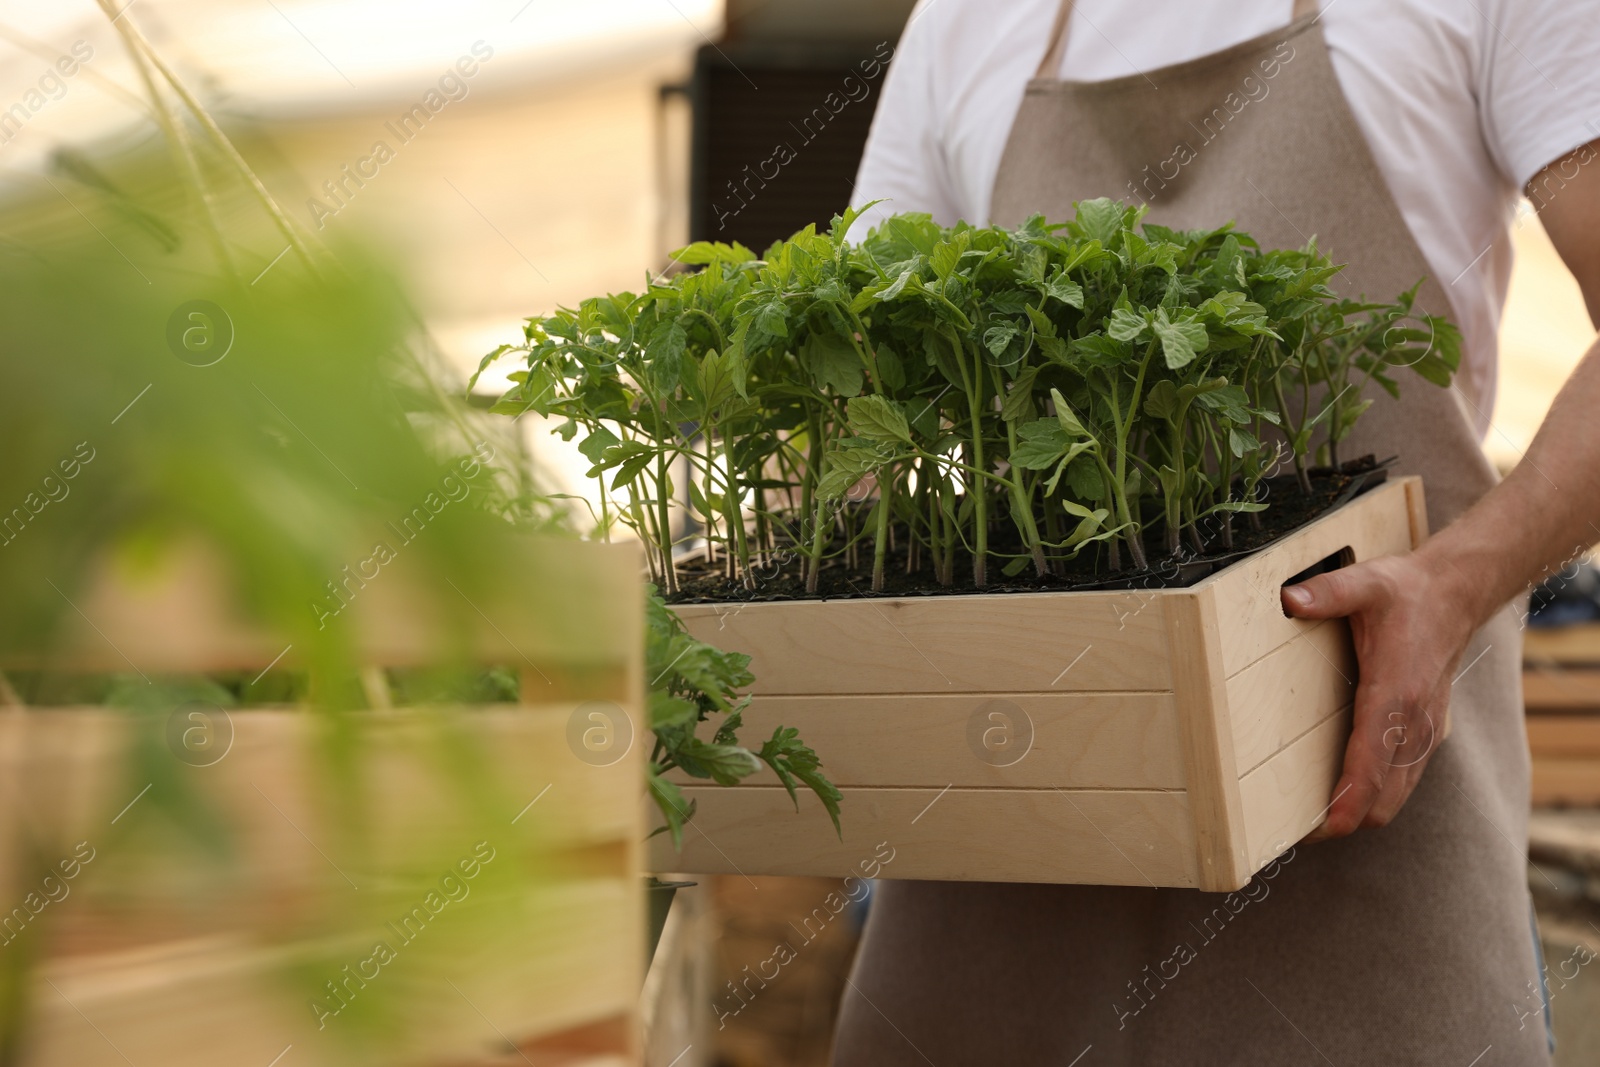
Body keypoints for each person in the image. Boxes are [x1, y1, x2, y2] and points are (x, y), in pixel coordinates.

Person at [834, 0, 1600, 1063]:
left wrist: (1455, 583)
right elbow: (857, 383)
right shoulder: (966, 21)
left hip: (1362, 817)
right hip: (1010, 846)